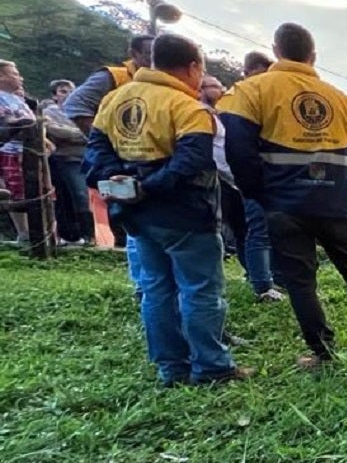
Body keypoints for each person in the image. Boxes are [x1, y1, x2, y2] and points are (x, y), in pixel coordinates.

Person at [81, 33, 249, 386]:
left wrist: (123, 182)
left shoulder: (113, 100)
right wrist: (151, 187)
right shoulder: (188, 107)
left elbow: (94, 154)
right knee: (200, 289)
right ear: (193, 67)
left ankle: (171, 368)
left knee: (156, 288)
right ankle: (212, 367)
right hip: (186, 213)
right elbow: (194, 160)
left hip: (135, 215)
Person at [220, 22, 347, 368]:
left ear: (276, 50)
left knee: (300, 281)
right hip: (335, 202)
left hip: (284, 203)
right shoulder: (343, 101)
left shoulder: (252, 91)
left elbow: (238, 149)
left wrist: (256, 192)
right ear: (313, 55)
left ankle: (324, 353)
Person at [65, 34, 154, 293]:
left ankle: (148, 285)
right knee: (133, 220)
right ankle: (142, 285)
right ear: (134, 53)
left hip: (146, 159)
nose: (153, 59)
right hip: (119, 162)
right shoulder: (113, 77)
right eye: (149, 53)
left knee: (145, 219)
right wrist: (104, 141)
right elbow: (75, 104)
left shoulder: (158, 81)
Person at [203, 74, 283, 302]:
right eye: (215, 86)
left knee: (247, 230)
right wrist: (243, 179)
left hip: (236, 180)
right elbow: (219, 155)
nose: (221, 90)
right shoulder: (204, 114)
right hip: (230, 180)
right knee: (254, 231)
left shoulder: (221, 115)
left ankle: (261, 277)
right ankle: (263, 284)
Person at [41, 79, 95, 246]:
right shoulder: (49, 112)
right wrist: (81, 133)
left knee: (85, 196)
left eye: (71, 90)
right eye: (63, 91)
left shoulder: (81, 111)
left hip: (85, 158)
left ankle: (88, 235)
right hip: (64, 159)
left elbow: (93, 131)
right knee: (74, 195)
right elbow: (55, 131)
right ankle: (80, 235)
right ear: (55, 95)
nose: (68, 94)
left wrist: (77, 134)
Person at [0, 60, 36, 242]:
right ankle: (24, 233)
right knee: (14, 191)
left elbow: (32, 120)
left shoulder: (17, 98)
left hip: (28, 151)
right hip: (8, 150)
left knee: (30, 190)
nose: (19, 77)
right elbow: (8, 121)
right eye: (14, 73)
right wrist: (19, 124)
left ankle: (36, 232)